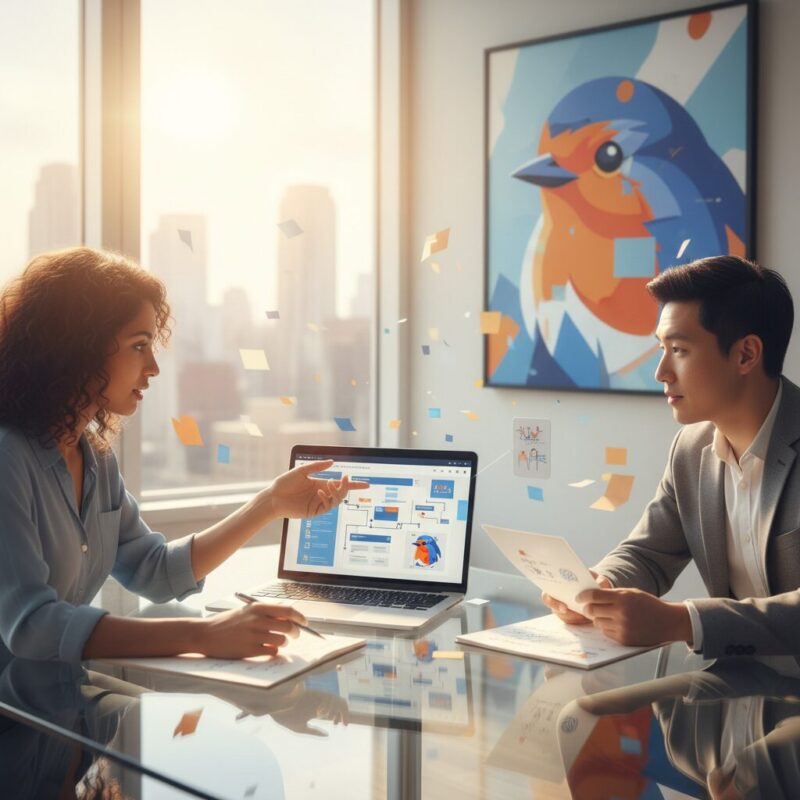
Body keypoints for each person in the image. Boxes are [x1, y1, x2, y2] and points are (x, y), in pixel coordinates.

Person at [0, 246, 367, 663]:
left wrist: (270, 504)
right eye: (139, 346)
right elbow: (32, 628)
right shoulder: (8, 458)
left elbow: (155, 571)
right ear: (79, 347)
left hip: (57, 694)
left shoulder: (96, 458)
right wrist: (203, 635)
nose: (154, 367)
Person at [543, 255, 800, 659]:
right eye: (661, 348)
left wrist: (684, 622)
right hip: (738, 682)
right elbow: (648, 553)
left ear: (746, 355)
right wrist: (600, 588)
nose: (661, 371)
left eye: (678, 349)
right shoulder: (690, 449)